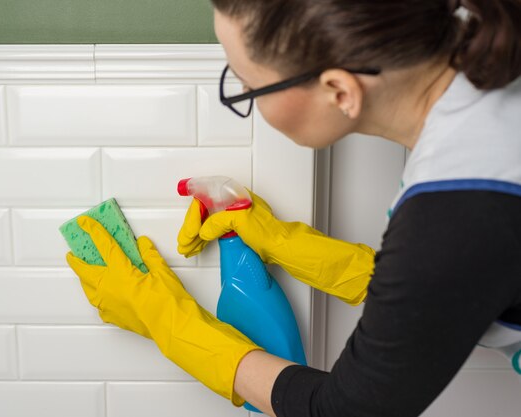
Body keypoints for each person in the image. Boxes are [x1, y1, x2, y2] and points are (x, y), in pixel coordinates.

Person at [66, 0, 521, 416]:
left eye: (248, 86)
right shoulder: (483, 103)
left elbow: (344, 411)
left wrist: (165, 319)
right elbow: (453, 284)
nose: (244, 94)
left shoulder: (460, 205)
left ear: (340, 90)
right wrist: (287, 243)